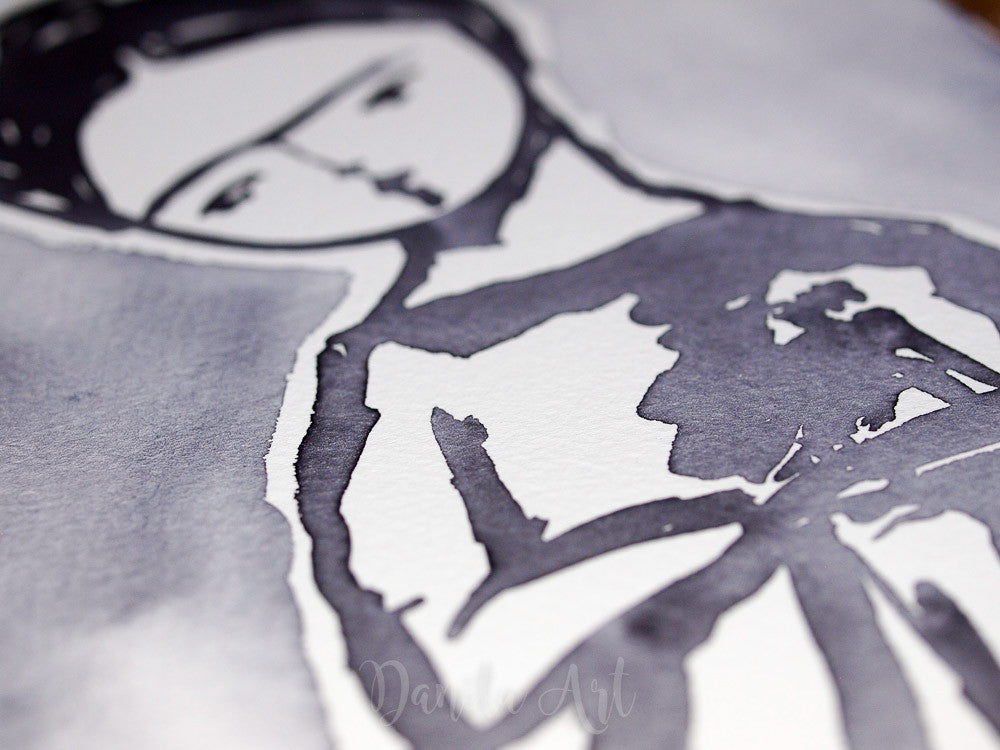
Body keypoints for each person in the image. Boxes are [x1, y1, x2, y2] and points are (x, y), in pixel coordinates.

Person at [3, 1, 1000, 748]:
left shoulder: (864, 246)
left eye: (383, 97)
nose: (352, 170)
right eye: (238, 190)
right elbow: (449, 681)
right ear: (167, 232)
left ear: (485, 41)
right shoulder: (410, 377)